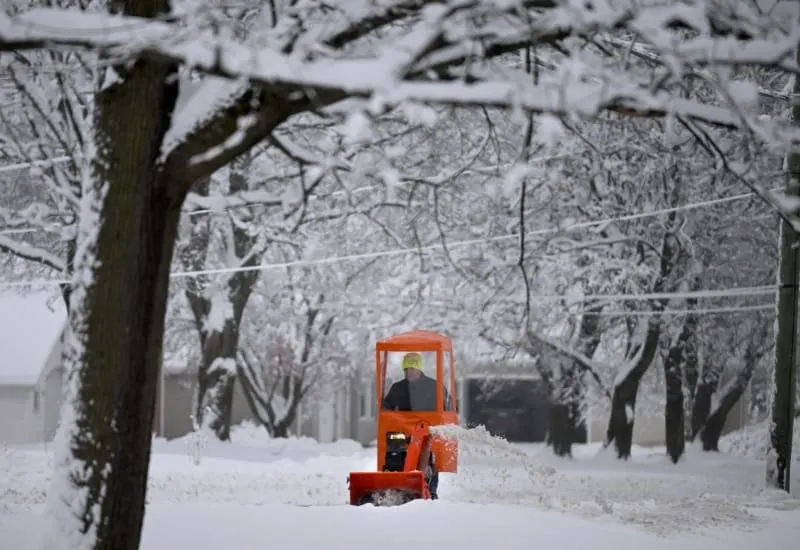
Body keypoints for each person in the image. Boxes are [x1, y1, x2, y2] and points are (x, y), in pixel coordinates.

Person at [381, 352, 452, 499]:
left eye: (412, 369)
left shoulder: (435, 387)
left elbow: (447, 406)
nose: (409, 372)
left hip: (429, 430)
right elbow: (386, 407)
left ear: (419, 369)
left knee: (431, 455)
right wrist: (390, 417)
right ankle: (392, 484)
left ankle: (431, 490)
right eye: (406, 369)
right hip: (403, 430)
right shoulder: (397, 388)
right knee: (394, 452)